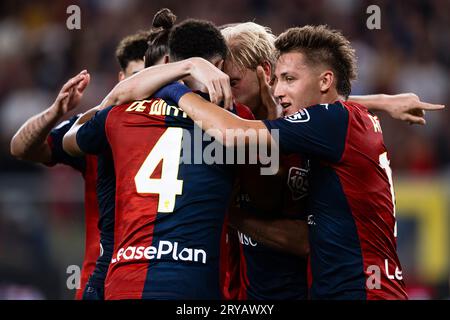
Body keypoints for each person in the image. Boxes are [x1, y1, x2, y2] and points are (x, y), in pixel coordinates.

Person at [147, 25, 444, 299]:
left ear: (263, 73)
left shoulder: (324, 125)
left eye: (288, 79)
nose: (220, 91)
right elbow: (324, 104)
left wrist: (174, 89)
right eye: (280, 80)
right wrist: (384, 100)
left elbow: (234, 132)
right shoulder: (331, 124)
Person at [63, 18, 254, 300]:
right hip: (195, 283)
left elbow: (70, 139)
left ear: (167, 61)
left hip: (124, 281)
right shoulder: (235, 118)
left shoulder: (118, 116)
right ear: (222, 67)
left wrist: (177, 75)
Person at [9, 30, 150, 300]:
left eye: (152, 81)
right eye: (136, 79)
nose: (142, 91)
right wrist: (55, 113)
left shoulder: (180, 130)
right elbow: (20, 148)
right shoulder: (92, 131)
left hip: (154, 282)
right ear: (120, 81)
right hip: (100, 283)